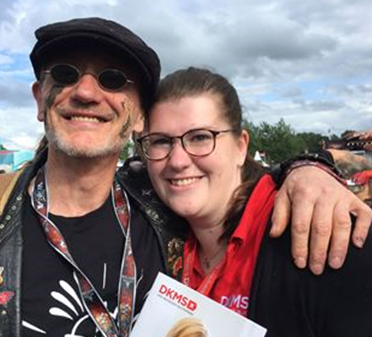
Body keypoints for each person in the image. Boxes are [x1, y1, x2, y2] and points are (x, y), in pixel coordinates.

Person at [0, 18, 371, 337]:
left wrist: (308, 169)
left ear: (135, 117)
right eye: (66, 73)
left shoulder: (165, 221)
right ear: (40, 98)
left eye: (113, 79)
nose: (87, 91)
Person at [140, 67, 372, 334]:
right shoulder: (150, 231)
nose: (178, 161)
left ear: (241, 147)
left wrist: (310, 166)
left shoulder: (321, 230)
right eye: (160, 141)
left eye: (200, 137)